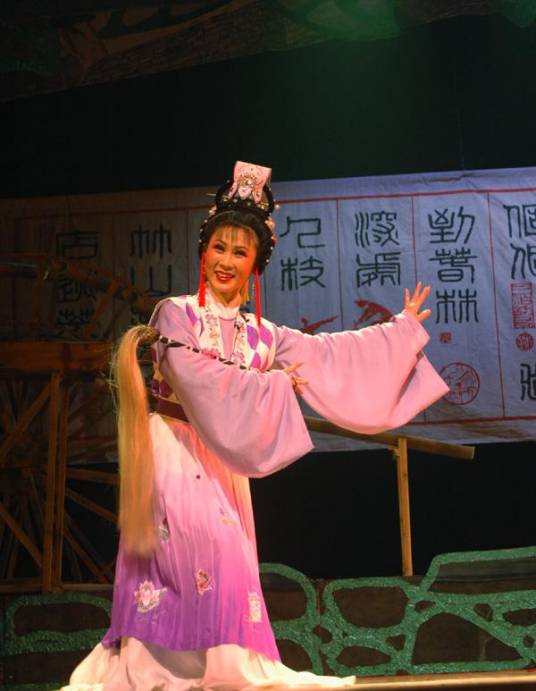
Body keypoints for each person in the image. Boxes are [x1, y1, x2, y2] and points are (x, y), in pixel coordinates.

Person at [61, 161, 448, 690]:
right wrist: (272, 386)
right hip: (173, 449)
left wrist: (398, 334)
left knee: (229, 564)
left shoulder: (264, 335)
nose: (226, 261)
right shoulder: (175, 314)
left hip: (224, 461)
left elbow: (329, 355)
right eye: (218, 248)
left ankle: (225, 667)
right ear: (203, 252)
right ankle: (152, 668)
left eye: (239, 253)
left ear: (255, 264)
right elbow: (197, 378)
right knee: (180, 556)